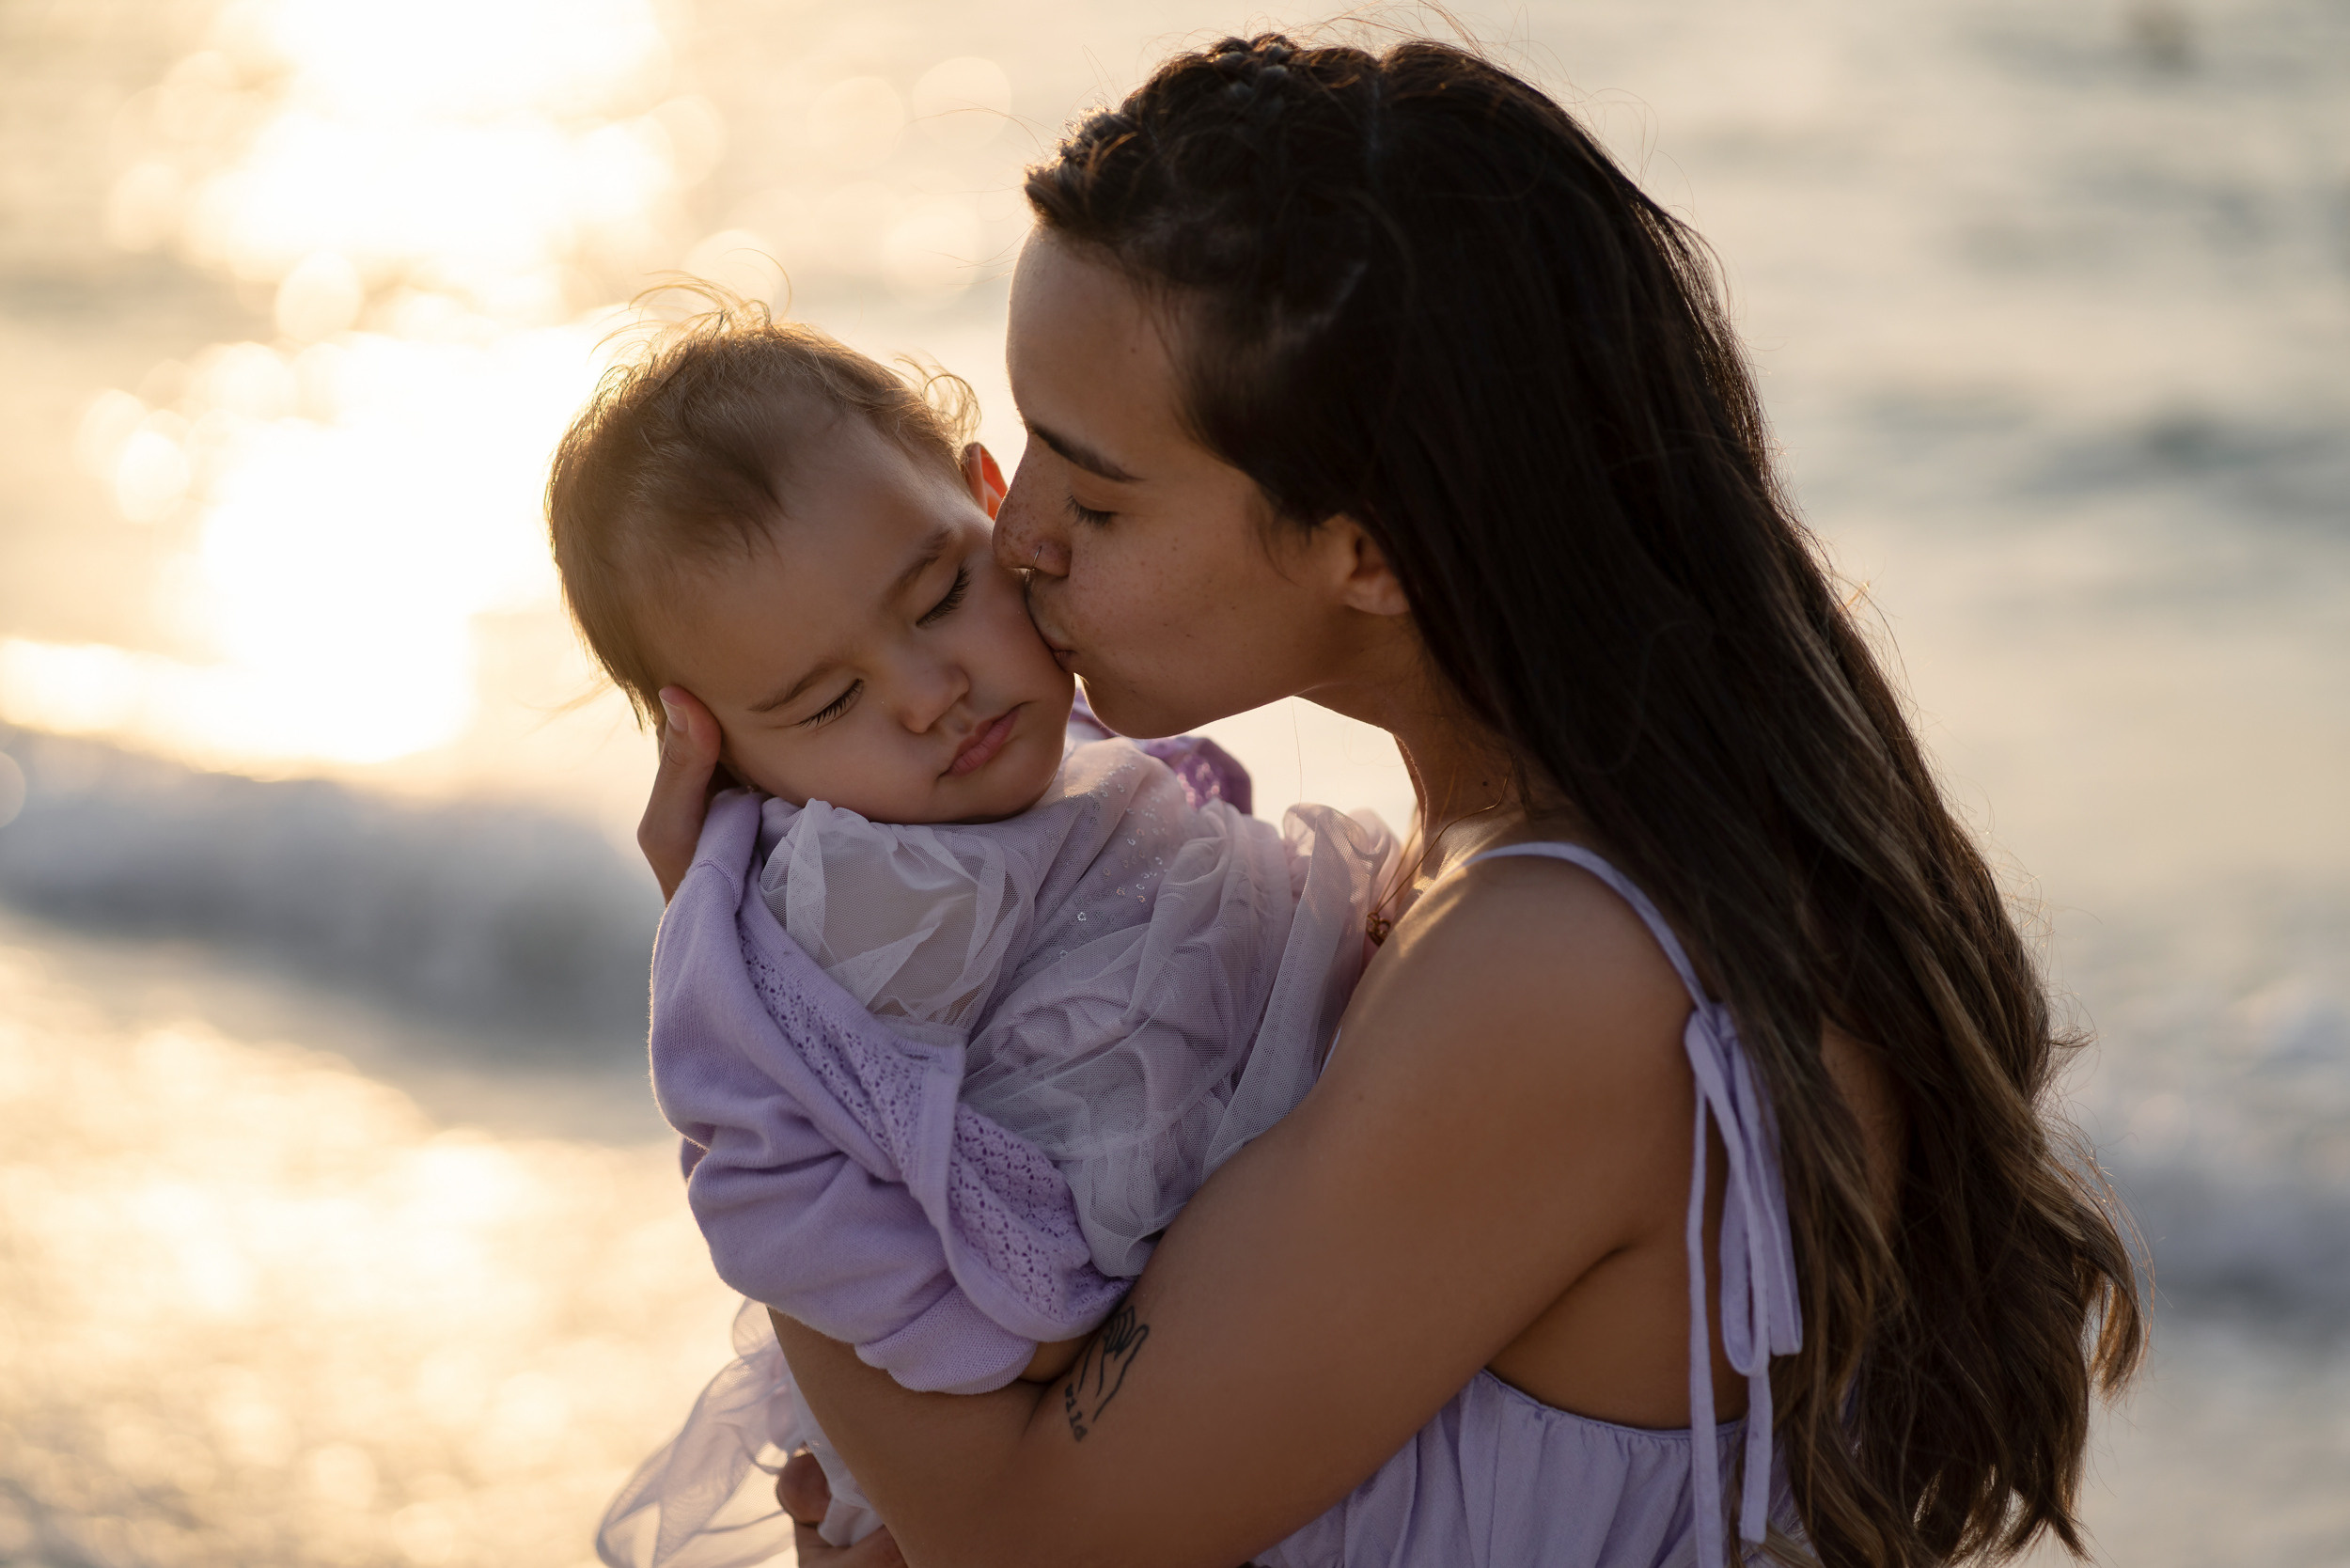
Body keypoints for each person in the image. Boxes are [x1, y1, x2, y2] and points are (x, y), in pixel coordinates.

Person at [636, 35, 2144, 1568]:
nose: (1014, 537)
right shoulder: (1518, 857)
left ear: (1371, 554)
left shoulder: (1555, 978)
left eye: (1094, 496)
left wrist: (770, 1018)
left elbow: (1038, 1533)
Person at [543, 308, 1394, 1562]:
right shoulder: (846, 891)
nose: (927, 693)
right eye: (830, 701)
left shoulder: (1054, 771)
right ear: (715, 749)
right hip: (1056, 1367)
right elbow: (769, 1180)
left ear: (992, 503)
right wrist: (1004, 1342)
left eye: (941, 595)